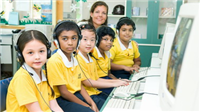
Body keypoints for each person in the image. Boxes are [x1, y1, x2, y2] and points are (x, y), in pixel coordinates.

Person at [47, 21, 103, 112]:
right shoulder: (55, 61)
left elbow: (79, 85)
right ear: (56, 42)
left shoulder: (74, 58)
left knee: (99, 105)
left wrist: (92, 103)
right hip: (61, 100)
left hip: (75, 95)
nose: (70, 43)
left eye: (74, 38)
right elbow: (64, 92)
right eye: (65, 39)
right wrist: (87, 106)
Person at [6, 30, 63, 112]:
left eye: (41, 51)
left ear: (48, 52)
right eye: (30, 52)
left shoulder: (45, 74)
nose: (37, 57)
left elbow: (55, 107)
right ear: (21, 55)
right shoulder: (22, 79)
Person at [76, 24, 129, 99]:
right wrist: (114, 83)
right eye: (105, 39)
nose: (109, 42)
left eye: (92, 40)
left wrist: (117, 81)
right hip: (91, 91)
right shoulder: (88, 55)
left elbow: (100, 77)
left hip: (96, 88)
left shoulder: (93, 56)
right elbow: (88, 82)